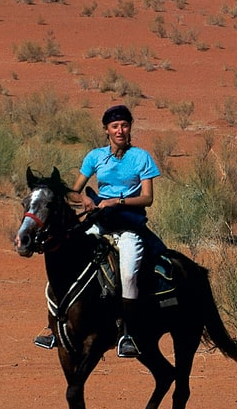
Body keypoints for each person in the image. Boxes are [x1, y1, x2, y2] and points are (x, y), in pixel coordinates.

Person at [34, 104, 161, 357]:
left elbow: (147, 198)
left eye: (124, 125)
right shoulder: (95, 157)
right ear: (106, 130)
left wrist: (117, 201)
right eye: (115, 126)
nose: (120, 130)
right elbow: (72, 191)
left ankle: (128, 333)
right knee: (66, 260)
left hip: (128, 225)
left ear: (130, 128)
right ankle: (53, 328)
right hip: (98, 222)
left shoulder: (141, 157)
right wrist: (84, 200)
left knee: (127, 275)